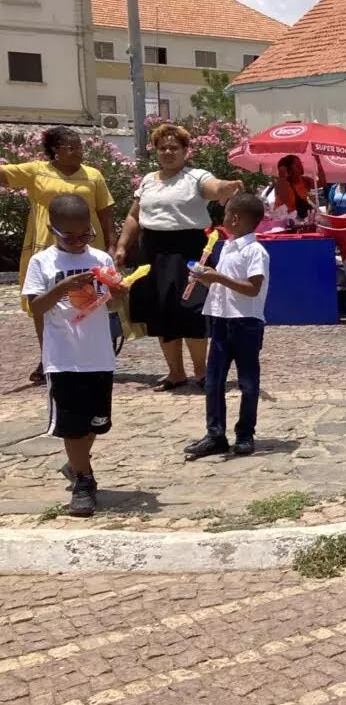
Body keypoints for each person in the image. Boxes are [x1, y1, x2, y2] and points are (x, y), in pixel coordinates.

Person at [114, 123, 244, 392]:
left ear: (186, 151)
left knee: (192, 310)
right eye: (162, 148)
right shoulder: (148, 180)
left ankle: (202, 373)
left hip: (189, 250)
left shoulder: (196, 176)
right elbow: (134, 215)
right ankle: (175, 373)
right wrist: (123, 245)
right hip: (152, 250)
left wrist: (226, 187)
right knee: (162, 312)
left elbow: (214, 188)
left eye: (174, 147)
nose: (168, 152)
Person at [22, 195, 119, 517]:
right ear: (53, 230)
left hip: (99, 354)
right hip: (64, 357)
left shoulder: (101, 257)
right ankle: (84, 481)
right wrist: (62, 287)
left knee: (95, 423)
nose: (79, 242)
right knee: (72, 426)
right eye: (70, 236)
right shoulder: (42, 262)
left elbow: (114, 304)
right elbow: (36, 307)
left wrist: (119, 291)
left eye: (85, 234)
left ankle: (76, 463)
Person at [1, 127, 116, 385]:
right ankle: (48, 356)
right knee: (47, 303)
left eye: (80, 147)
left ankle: (89, 352)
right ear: (55, 149)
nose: (78, 152)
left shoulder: (93, 175)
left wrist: (112, 245)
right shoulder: (36, 171)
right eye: (71, 147)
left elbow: (105, 211)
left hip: (87, 246)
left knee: (89, 300)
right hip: (47, 247)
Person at [184, 194, 270, 460]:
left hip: (245, 323)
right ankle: (215, 434)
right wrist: (205, 279)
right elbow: (224, 285)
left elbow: (253, 288)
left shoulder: (255, 251)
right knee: (213, 381)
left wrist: (218, 277)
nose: (223, 220)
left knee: (248, 382)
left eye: (226, 215)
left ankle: (245, 434)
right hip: (221, 320)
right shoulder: (228, 248)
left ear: (235, 218)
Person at [271, 154, 324, 220]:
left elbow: (322, 183)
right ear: (289, 169)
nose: (301, 167)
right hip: (283, 220)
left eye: (301, 164)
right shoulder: (283, 184)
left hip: (298, 220)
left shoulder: (304, 180)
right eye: (297, 165)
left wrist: (318, 163)